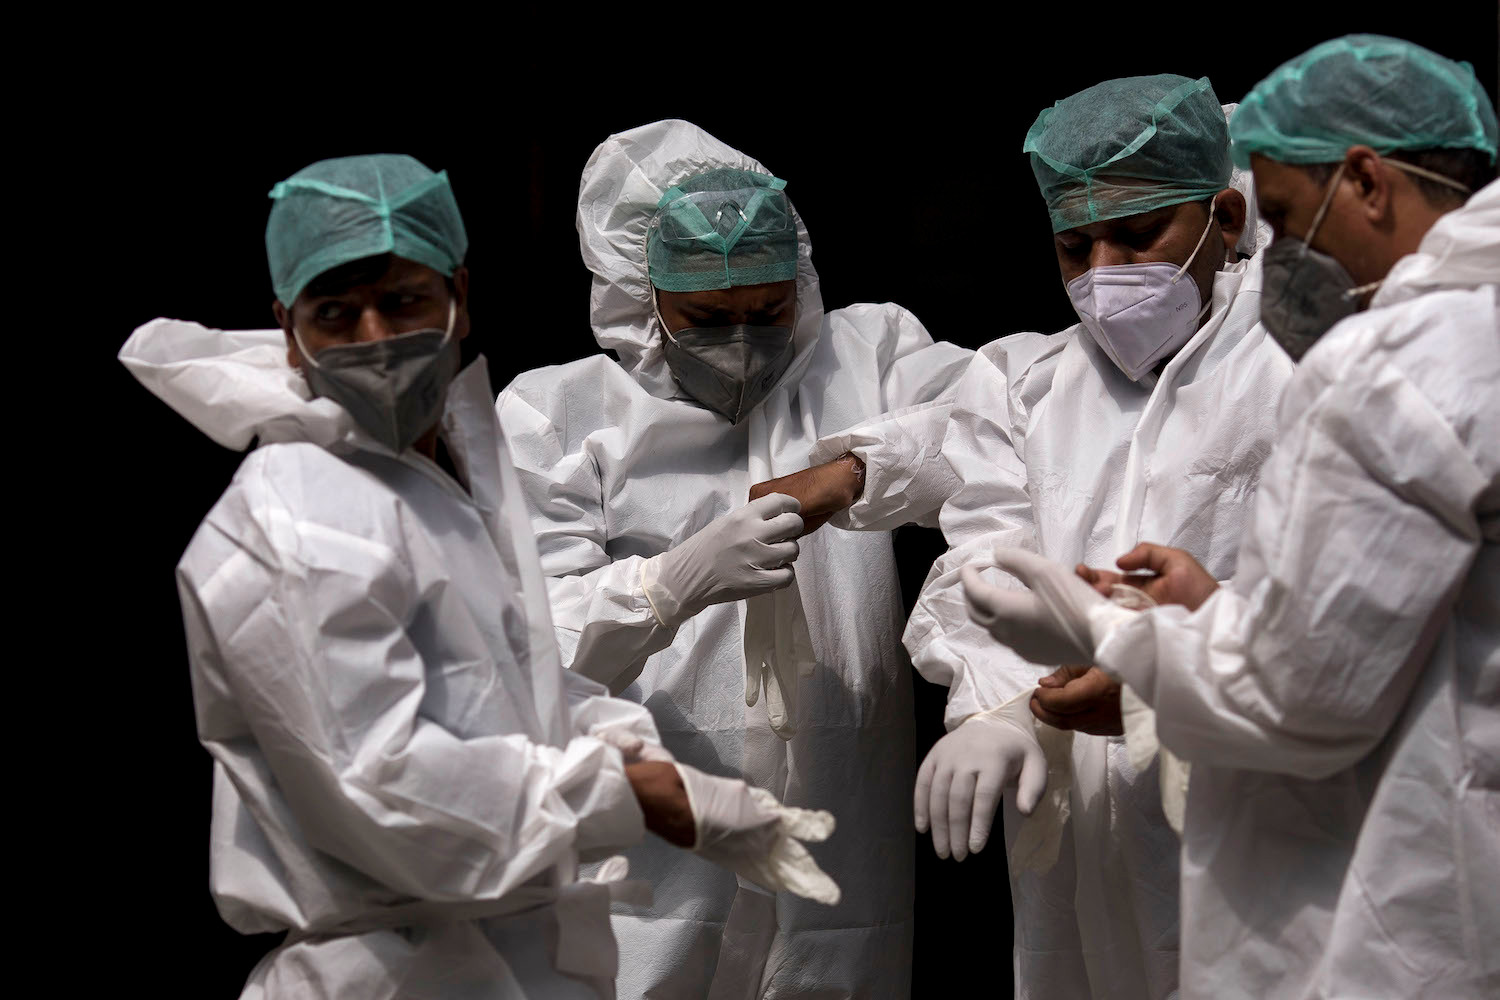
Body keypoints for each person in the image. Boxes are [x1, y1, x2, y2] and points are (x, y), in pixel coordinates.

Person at [118, 153, 837, 1000]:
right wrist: (636, 790)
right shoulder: (296, 515)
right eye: (336, 313)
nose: (378, 338)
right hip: (382, 972)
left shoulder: (431, 485)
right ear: (288, 327)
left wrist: (643, 758)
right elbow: (384, 791)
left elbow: (514, 689)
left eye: (404, 301)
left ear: (458, 295)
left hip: (492, 955)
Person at [963, 35, 1498, 999]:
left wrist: (1120, 644)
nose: (1274, 260)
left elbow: (1305, 697)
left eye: (1283, 220)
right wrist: (1218, 607)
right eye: (1077, 245)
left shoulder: (1397, 360)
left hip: (1415, 865)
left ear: (1367, 181)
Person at [756, 76, 1291, 998]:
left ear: (1227, 217)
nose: (1103, 272)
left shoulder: (1296, 360)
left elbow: (1344, 588)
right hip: (1078, 814)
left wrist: (1169, 678)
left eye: (1139, 236)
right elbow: (984, 554)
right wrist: (997, 706)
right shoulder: (1031, 381)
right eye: (1075, 246)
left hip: (1254, 794)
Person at [497, 120, 972, 998]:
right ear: (641, 293)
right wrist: (665, 585)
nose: (745, 341)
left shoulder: (864, 357)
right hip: (657, 856)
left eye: (768, 310)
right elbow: (522, 655)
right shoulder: (555, 415)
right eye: (708, 320)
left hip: (838, 838)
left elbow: (991, 428)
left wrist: (850, 474)